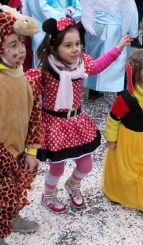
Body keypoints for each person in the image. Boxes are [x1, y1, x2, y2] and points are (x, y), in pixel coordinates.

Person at [26, 16, 132, 214]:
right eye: (68, 45)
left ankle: (72, 185)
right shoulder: (44, 72)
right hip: (53, 125)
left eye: (78, 44)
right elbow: (22, 92)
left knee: (86, 165)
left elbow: (99, 64)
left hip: (76, 122)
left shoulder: (81, 66)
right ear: (53, 47)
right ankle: (48, 194)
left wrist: (118, 48)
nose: (75, 49)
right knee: (56, 168)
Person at [102, 49, 143, 211]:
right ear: (137, 73)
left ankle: (142, 193)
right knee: (127, 167)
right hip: (128, 139)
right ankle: (121, 191)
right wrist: (111, 139)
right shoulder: (127, 98)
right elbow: (114, 118)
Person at [0, 5, 41, 245]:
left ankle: (11, 218)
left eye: (21, 43)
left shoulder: (26, 81)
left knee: (14, 190)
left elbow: (35, 117)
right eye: (11, 44)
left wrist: (32, 151)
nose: (20, 50)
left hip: (18, 151)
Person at [80, 0, 138, 100]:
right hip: (116, 27)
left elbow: (84, 5)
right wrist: (133, 32)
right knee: (119, 60)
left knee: (95, 57)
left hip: (96, 25)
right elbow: (131, 8)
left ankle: (93, 90)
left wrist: (87, 24)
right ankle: (120, 93)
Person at [23, 0, 83, 68]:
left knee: (66, 64)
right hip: (43, 31)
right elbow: (42, 9)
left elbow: (78, 8)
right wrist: (65, 16)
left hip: (66, 32)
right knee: (43, 64)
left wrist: (70, 11)